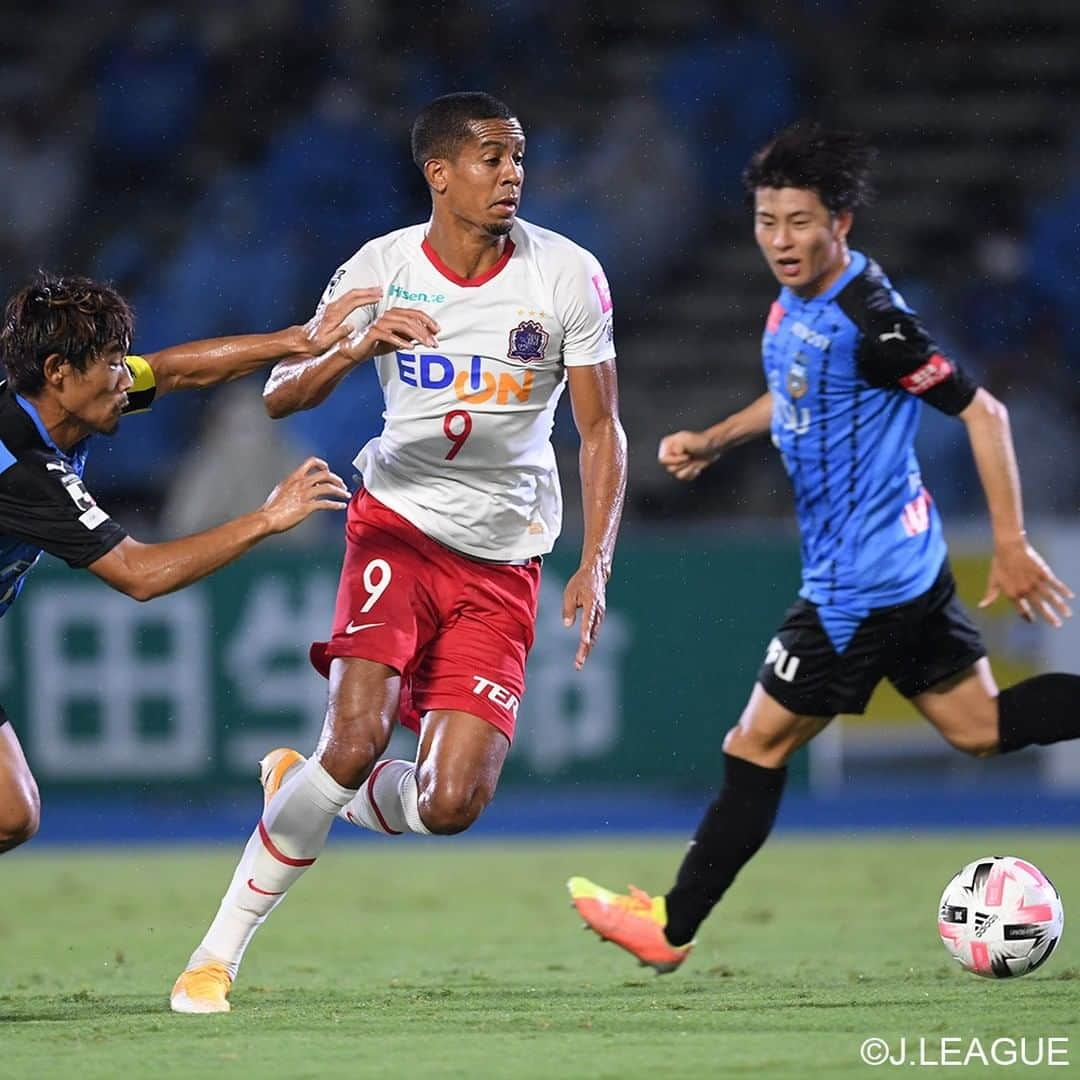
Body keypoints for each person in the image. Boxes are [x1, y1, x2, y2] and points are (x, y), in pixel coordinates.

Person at [567, 122, 1080, 974]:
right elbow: (799, 395)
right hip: (906, 569)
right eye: (766, 221)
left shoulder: (875, 322)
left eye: (798, 221)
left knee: (754, 745)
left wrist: (1013, 544)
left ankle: (670, 924)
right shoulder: (798, 302)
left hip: (859, 589)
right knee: (980, 725)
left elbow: (983, 414)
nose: (780, 240)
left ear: (840, 221)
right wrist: (718, 437)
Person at [170, 91, 626, 1014]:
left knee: (451, 802)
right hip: (397, 526)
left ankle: (309, 789)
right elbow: (280, 394)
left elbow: (601, 427)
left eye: (518, 157)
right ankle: (214, 956)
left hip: (504, 558)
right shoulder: (379, 269)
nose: (512, 175)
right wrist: (353, 347)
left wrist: (596, 556)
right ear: (439, 173)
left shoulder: (566, 275)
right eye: (492, 158)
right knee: (354, 737)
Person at [0, 271, 373, 856]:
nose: (128, 378)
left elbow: (175, 370)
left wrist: (299, 341)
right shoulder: (21, 466)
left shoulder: (59, 407)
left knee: (11, 815)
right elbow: (139, 574)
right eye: (115, 365)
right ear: (57, 372)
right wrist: (265, 519)